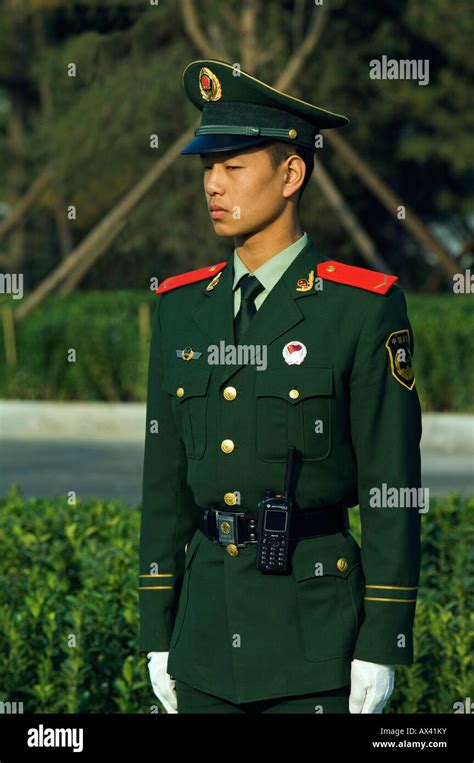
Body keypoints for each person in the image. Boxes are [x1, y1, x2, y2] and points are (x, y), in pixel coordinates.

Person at [138, 59, 422, 714]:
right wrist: (158, 627)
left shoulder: (359, 307)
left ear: (291, 173)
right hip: (204, 638)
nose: (212, 183)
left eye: (234, 165)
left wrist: (384, 638)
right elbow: (164, 484)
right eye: (207, 166)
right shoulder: (181, 308)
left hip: (316, 637)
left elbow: (391, 483)